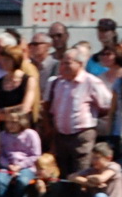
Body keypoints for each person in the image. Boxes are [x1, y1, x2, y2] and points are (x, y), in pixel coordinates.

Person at [46, 47, 111, 175]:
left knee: (81, 172)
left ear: (80, 64)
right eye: (62, 63)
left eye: (67, 63)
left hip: (81, 136)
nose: (63, 66)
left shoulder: (92, 82)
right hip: (61, 136)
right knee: (62, 172)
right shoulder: (58, 82)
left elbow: (107, 105)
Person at [0, 107, 41, 197]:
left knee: (23, 181)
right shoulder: (3, 135)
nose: (10, 125)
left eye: (14, 122)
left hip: (26, 166)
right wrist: (8, 165)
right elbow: (1, 154)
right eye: (8, 122)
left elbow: (35, 155)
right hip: (8, 166)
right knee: (0, 181)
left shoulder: (31, 134)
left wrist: (20, 166)